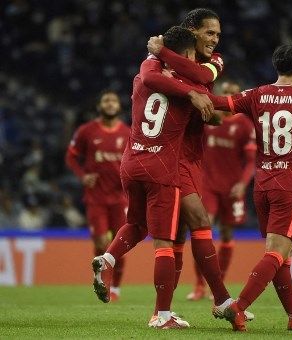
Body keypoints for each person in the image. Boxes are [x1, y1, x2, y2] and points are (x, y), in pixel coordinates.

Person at [90, 26, 217, 329]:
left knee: (137, 224)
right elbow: (213, 112)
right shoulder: (188, 86)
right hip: (162, 168)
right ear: (187, 54)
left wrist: (156, 53)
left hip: (130, 163)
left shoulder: (144, 73)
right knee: (165, 241)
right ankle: (162, 316)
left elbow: (150, 74)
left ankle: (106, 259)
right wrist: (199, 96)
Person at [215, 45, 292, 331]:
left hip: (262, 185)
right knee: (277, 253)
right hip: (289, 184)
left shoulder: (256, 95)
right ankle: (239, 307)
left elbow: (223, 103)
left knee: (281, 256)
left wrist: (189, 91)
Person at [146, 8, 254, 322]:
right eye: (209, 33)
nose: (214, 40)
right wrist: (191, 94)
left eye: (218, 34)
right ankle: (217, 301)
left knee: (180, 234)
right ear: (192, 30)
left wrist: (164, 54)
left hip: (189, 160)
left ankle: (167, 310)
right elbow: (149, 78)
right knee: (193, 225)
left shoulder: (211, 62)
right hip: (168, 158)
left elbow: (205, 81)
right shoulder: (158, 64)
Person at [187, 81, 256, 301]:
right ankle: (199, 285)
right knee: (202, 230)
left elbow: (252, 161)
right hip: (207, 185)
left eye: (232, 93)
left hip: (232, 188)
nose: (228, 95)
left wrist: (243, 184)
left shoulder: (245, 125)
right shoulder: (209, 118)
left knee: (226, 233)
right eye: (224, 92)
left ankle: (219, 282)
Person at [66, 90, 130, 301]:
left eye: (113, 100)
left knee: (119, 244)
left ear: (119, 107)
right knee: (102, 242)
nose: (110, 104)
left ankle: (116, 288)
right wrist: (83, 176)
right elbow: (71, 157)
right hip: (96, 198)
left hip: (121, 198)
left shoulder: (128, 133)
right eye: (106, 100)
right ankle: (101, 280)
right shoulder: (86, 131)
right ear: (100, 106)